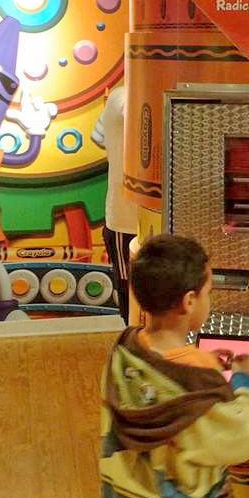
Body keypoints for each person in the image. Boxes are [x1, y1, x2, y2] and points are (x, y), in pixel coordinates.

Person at [100, 234, 249, 498]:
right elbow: (240, 437)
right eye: (207, 292)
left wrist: (199, 360)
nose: (208, 300)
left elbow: (158, 381)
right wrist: (242, 381)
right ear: (189, 301)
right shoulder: (197, 384)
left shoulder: (123, 352)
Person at [91, 86, 138, 322]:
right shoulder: (127, 98)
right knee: (132, 293)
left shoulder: (119, 96)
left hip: (128, 215)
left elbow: (97, 137)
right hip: (127, 217)